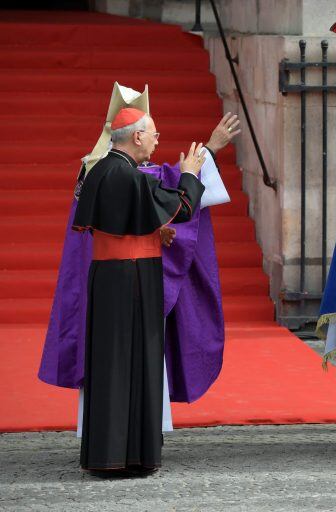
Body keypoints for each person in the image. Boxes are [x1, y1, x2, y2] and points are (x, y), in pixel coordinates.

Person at [74, 107, 206, 475]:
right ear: (136, 137)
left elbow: (129, 218)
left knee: (110, 362)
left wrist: (153, 227)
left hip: (107, 276)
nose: (157, 139)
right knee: (137, 361)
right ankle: (132, 455)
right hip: (133, 277)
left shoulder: (100, 168)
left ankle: (108, 453)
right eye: (153, 133)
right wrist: (190, 175)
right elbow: (182, 207)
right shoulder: (131, 176)